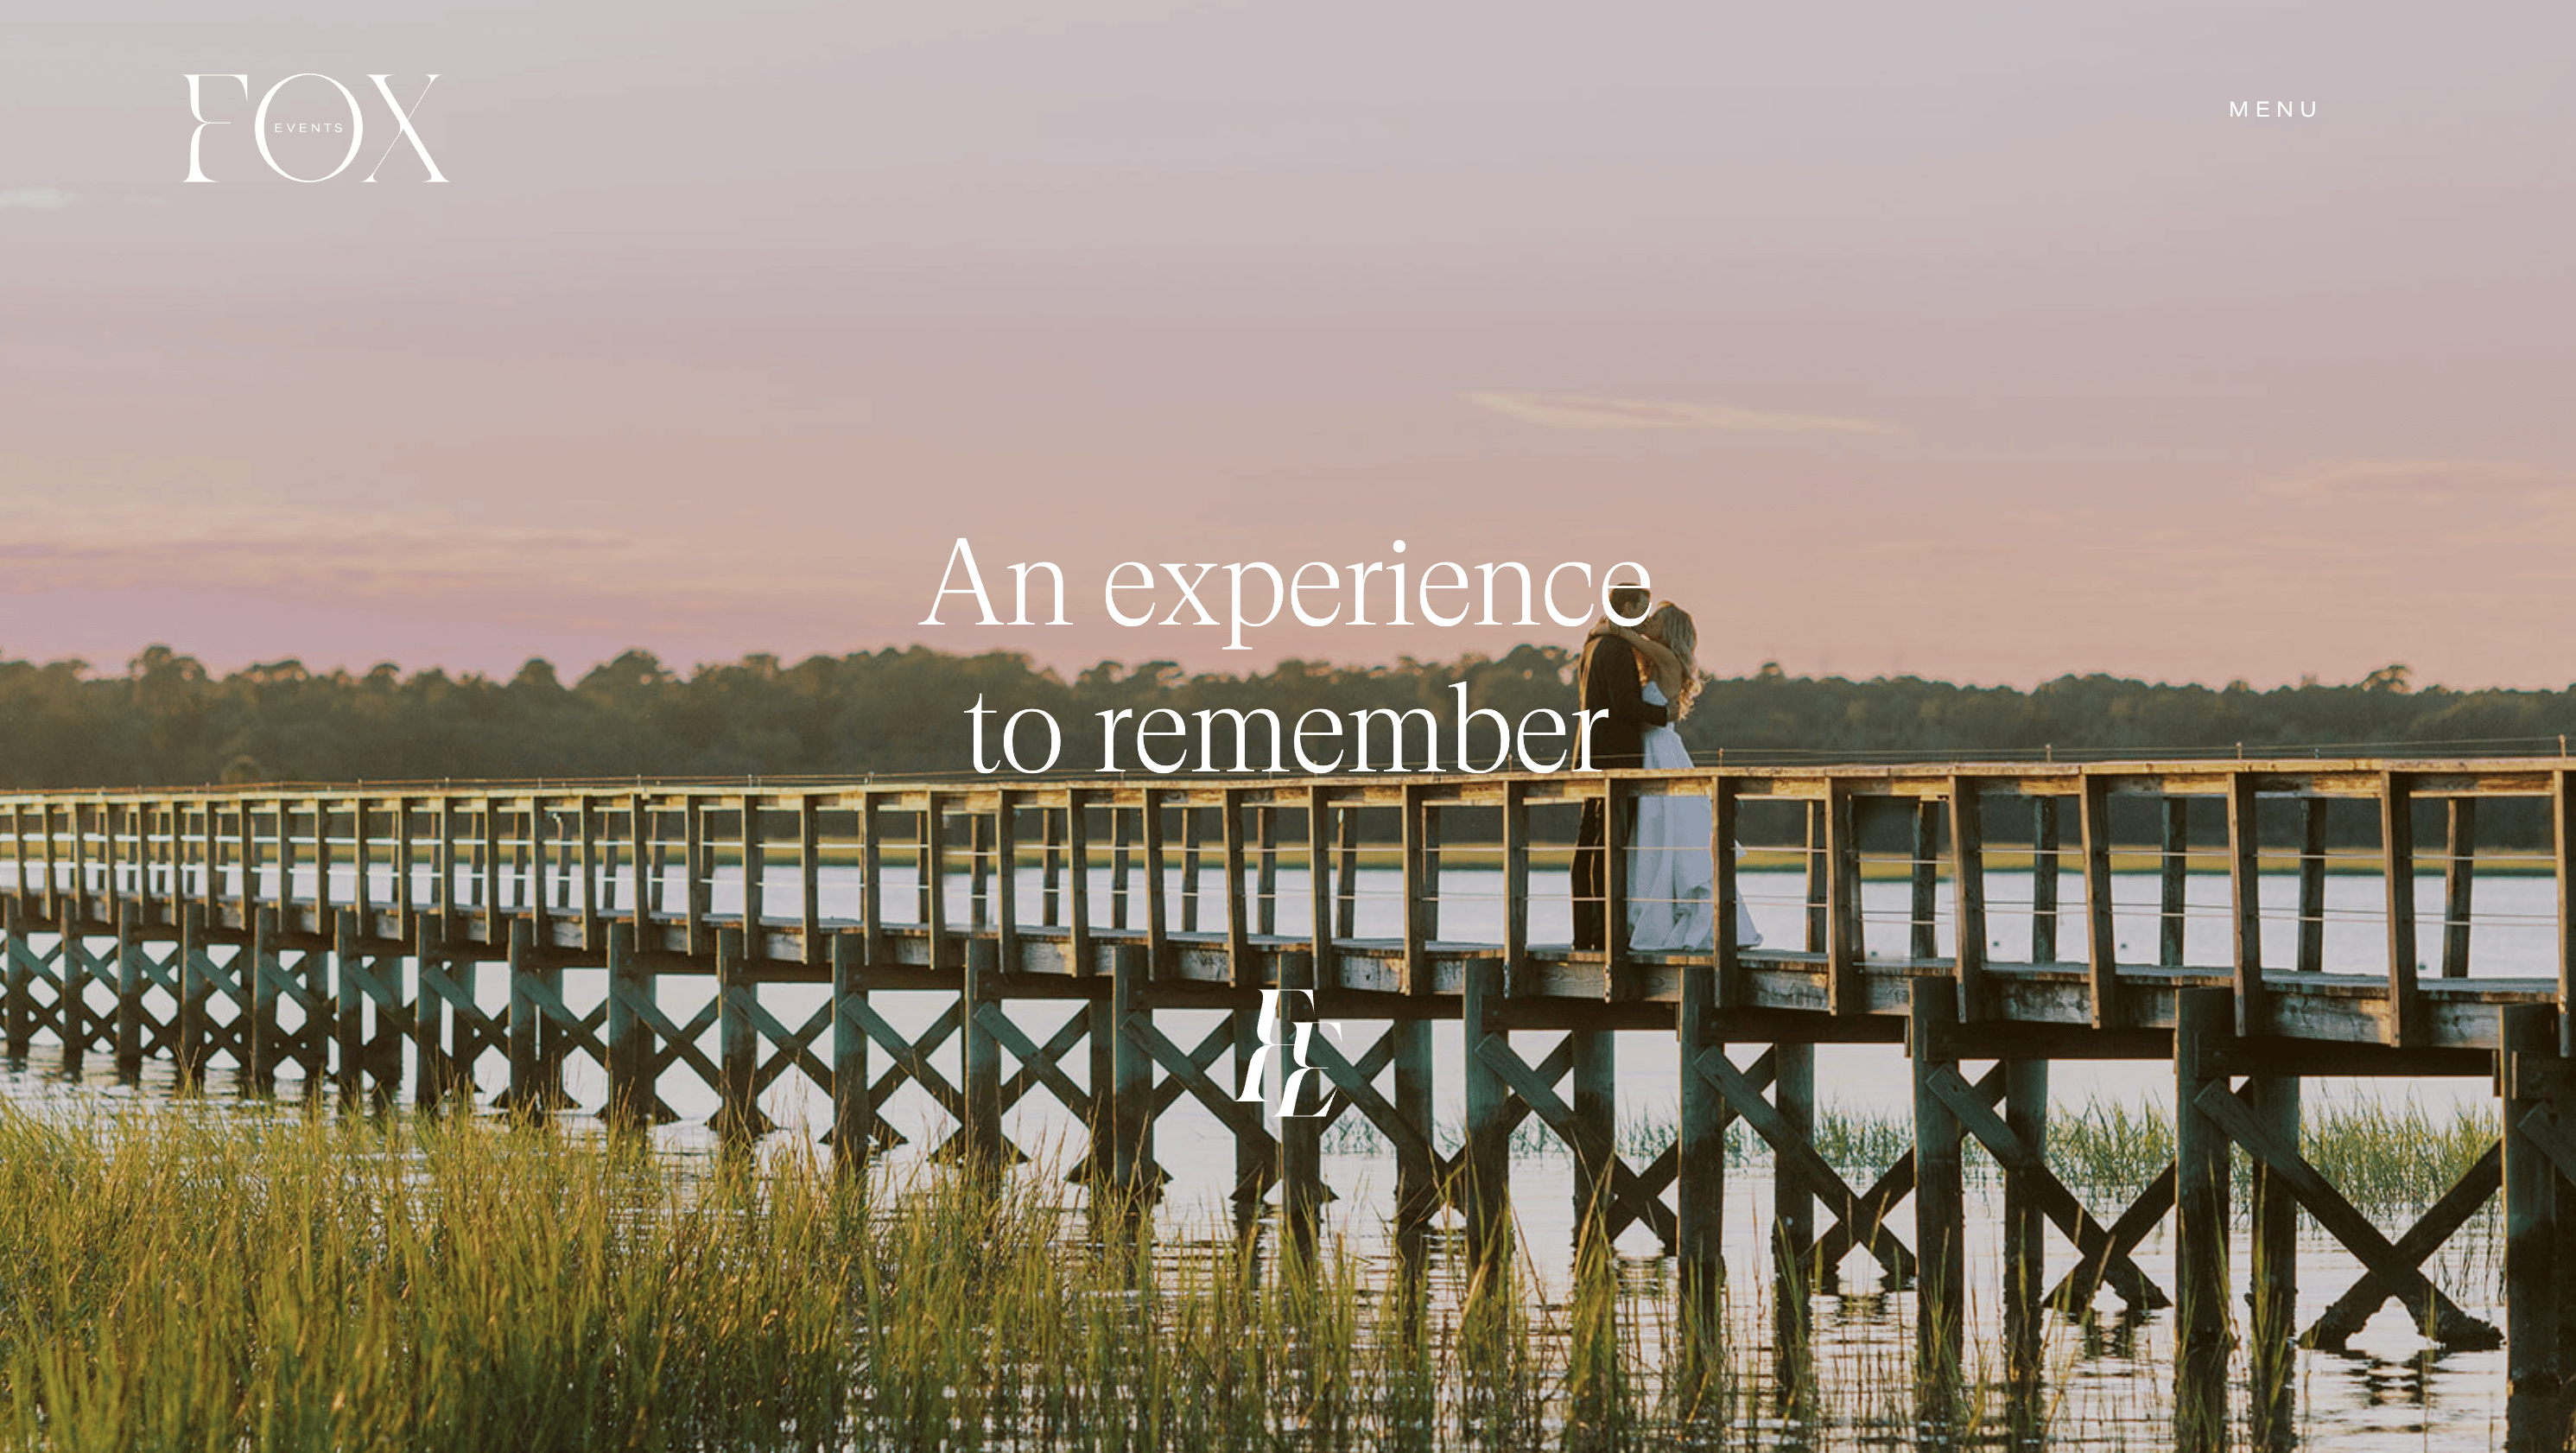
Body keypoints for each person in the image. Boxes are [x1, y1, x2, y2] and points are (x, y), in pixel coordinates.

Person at [1593, 603, 1762, 952]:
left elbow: (1625, 633)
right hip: (1648, 749)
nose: (1648, 621)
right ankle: (1650, 915)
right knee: (1653, 835)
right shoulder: (1655, 662)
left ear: (1669, 629)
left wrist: (1607, 627)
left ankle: (1667, 920)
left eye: (1655, 618)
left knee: (1666, 832)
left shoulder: (1667, 658)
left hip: (1660, 751)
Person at [1571, 582, 1664, 949]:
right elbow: (1624, 704)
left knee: (1590, 843)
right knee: (1608, 843)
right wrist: (1665, 715)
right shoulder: (1616, 648)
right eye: (1643, 608)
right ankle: (1602, 931)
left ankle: (1587, 931)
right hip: (1613, 757)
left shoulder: (1592, 644)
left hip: (1591, 752)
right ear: (1628, 607)